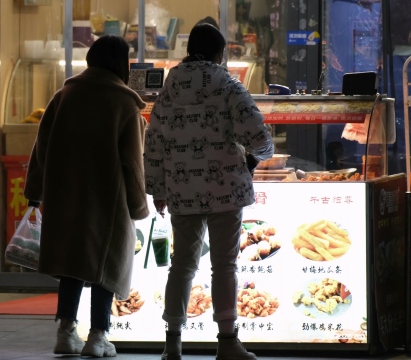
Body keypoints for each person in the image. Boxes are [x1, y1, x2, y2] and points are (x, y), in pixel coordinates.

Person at [143, 23, 273, 360]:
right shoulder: (228, 85)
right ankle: (228, 342)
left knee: (182, 265)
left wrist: (157, 189)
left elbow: (153, 142)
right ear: (220, 53)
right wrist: (252, 157)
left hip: (182, 189)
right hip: (226, 189)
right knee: (224, 267)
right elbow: (261, 139)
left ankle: (172, 344)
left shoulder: (169, 88)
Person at [24, 35, 150, 358]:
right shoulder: (125, 104)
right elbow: (133, 164)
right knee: (107, 263)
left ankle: (66, 331)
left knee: (73, 262)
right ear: (122, 64)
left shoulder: (65, 94)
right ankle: (98, 336)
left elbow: (42, 148)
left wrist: (34, 192)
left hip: (66, 194)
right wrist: (138, 206)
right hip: (109, 198)